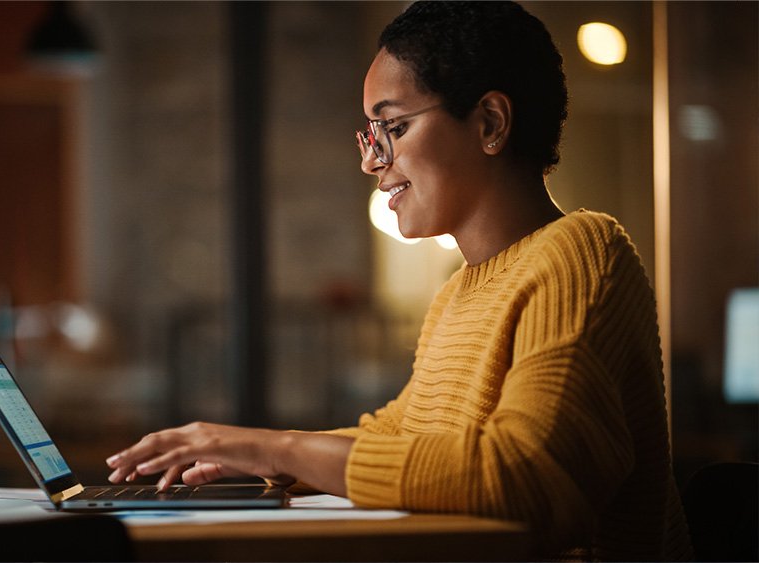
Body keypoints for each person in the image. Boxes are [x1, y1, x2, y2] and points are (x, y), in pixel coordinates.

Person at [106, 2, 693, 559]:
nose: (371, 160)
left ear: (490, 122)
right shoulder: (460, 293)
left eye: (393, 126)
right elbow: (400, 436)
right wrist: (259, 457)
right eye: (370, 132)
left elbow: (526, 478)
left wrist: (276, 448)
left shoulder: (582, 252)